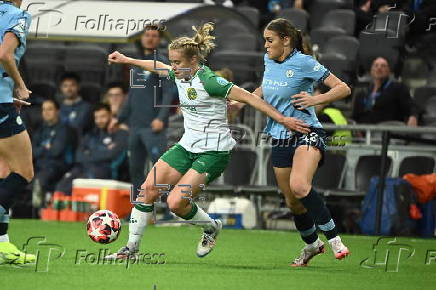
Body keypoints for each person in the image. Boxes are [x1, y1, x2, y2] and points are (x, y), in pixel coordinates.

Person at [105, 22, 307, 260]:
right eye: (172, 61)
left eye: (178, 62)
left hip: (214, 152)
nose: (173, 67)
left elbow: (252, 99)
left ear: (193, 61)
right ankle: (131, 250)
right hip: (187, 145)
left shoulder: (210, 81)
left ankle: (211, 227)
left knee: (175, 203)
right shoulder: (178, 73)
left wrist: (283, 119)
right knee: (148, 189)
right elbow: (157, 66)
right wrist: (127, 59)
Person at [233, 18, 351, 266]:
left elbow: (343, 88)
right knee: (293, 202)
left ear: (285, 40)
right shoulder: (268, 61)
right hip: (279, 136)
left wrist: (315, 100)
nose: (265, 45)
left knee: (299, 185)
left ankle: (335, 240)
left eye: (269, 40)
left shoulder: (305, 62)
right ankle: (312, 245)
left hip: (307, 131)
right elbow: (264, 89)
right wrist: (241, 101)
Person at [109, 25, 176, 198]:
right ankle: (138, 209)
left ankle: (169, 209)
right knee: (135, 170)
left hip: (153, 126)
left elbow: (169, 92)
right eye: (147, 35)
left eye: (154, 35)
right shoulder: (136, 65)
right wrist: (119, 118)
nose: (150, 38)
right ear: (141, 38)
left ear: (159, 39)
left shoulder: (162, 63)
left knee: (160, 169)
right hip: (135, 127)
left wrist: (162, 117)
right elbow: (132, 95)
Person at [0, 0, 36, 264]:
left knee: (2, 171)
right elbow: (4, 54)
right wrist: (20, 87)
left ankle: (2, 246)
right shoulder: (18, 15)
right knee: (23, 171)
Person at [55, 104, 128, 195]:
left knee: (81, 184)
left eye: (103, 116)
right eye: (96, 117)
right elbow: (78, 156)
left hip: (105, 170)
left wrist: (90, 153)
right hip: (84, 167)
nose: (99, 120)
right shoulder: (91, 134)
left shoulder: (121, 133)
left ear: (110, 115)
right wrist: (102, 152)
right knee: (62, 185)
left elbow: (113, 155)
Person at [352, 57, 420, 125]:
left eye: (383, 66)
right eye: (376, 65)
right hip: (364, 132)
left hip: (389, 131)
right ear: (371, 71)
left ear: (388, 71)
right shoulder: (361, 94)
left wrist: (413, 116)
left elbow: (411, 106)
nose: (379, 68)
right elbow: (355, 117)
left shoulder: (398, 88)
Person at [32, 99, 75, 207]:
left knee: (41, 178)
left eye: (50, 109)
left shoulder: (64, 129)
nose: (46, 112)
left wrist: (41, 149)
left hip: (57, 166)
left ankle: (41, 210)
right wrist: (46, 147)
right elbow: (33, 152)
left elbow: (56, 151)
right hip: (39, 165)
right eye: (44, 109)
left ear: (57, 111)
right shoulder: (40, 130)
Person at [58, 72, 93, 137]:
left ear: (78, 87)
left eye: (72, 85)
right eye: (65, 86)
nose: (69, 89)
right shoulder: (57, 107)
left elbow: (78, 125)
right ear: (61, 88)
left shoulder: (87, 107)